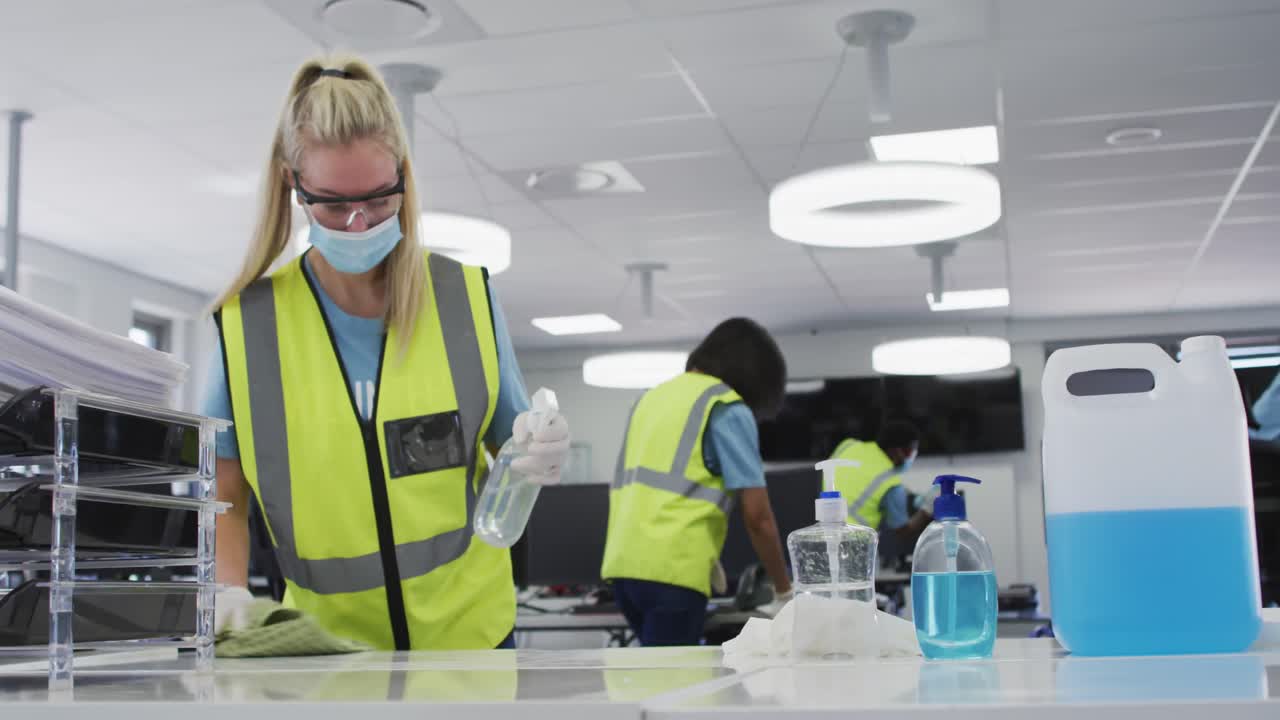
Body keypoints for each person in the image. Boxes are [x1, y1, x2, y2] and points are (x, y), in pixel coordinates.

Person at [203, 55, 571, 651]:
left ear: (403, 174)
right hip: (327, 655)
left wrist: (539, 451)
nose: (357, 223)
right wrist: (227, 590)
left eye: (378, 198)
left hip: (471, 642)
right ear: (292, 185)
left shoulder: (465, 297)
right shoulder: (247, 325)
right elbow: (225, 492)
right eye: (331, 203)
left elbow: (514, 446)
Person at [601, 317, 793, 647]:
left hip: (622, 571)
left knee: (657, 684)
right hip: (674, 574)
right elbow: (758, 516)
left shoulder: (650, 399)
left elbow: (663, 494)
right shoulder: (725, 406)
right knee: (676, 690)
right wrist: (784, 591)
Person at [829, 420, 933, 554]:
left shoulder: (847, 445)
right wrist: (927, 510)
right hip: (856, 547)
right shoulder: (891, 484)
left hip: (824, 534)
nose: (911, 457)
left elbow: (848, 477)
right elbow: (903, 531)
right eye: (908, 452)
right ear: (895, 451)